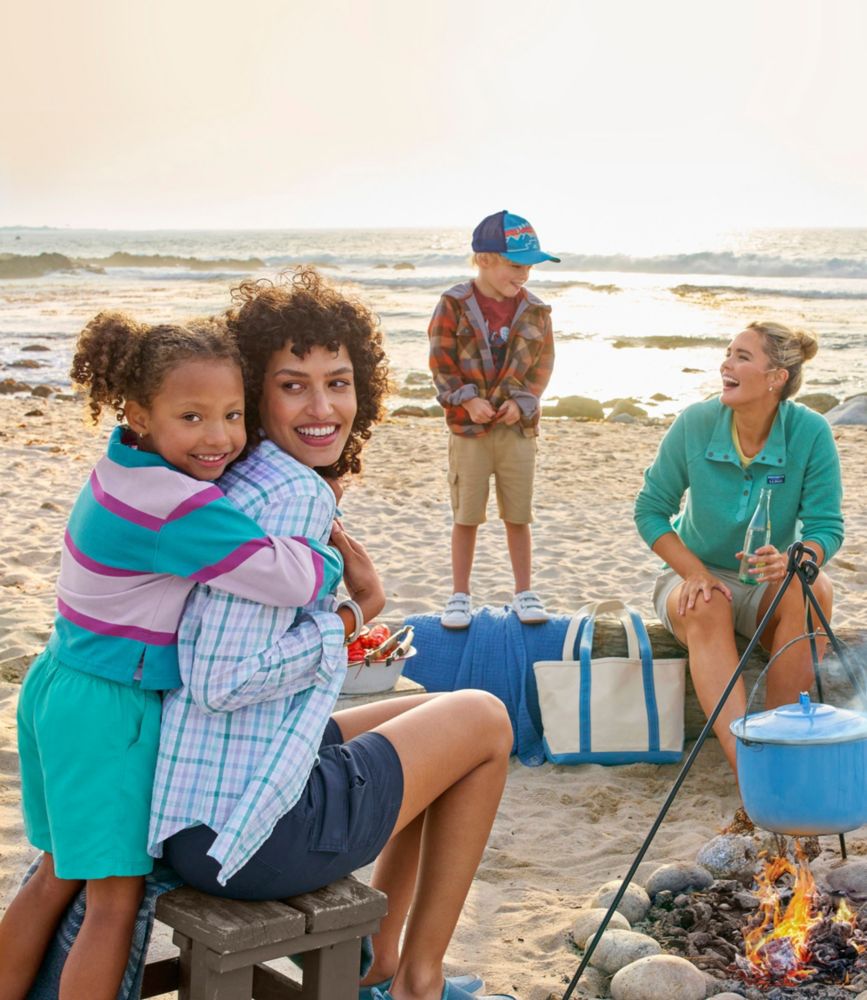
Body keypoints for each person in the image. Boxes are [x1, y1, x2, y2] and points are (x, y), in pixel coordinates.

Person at [148, 270, 516, 1000]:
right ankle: (417, 978)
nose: (322, 408)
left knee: (427, 717)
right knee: (485, 719)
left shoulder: (238, 476)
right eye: (292, 386)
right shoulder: (288, 496)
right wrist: (354, 615)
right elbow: (223, 679)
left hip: (193, 813)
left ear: (363, 388)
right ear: (253, 390)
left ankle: (383, 958)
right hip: (254, 839)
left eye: (338, 383)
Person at [0, 313, 342, 1000]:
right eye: (191, 416)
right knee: (113, 906)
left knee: (55, 874)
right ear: (138, 410)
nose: (217, 438)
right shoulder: (174, 507)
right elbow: (284, 576)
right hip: (109, 712)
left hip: (57, 685)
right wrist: (333, 564)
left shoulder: (122, 463)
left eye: (233, 415)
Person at [634, 321, 844, 805]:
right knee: (706, 603)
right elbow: (650, 509)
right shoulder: (694, 422)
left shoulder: (809, 431)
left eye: (741, 356)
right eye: (727, 354)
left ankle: (784, 743)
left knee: (814, 589)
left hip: (769, 580)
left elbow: (825, 527)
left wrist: (797, 558)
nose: (726, 365)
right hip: (692, 571)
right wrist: (694, 571)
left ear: (777, 377)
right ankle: (751, 766)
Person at [428, 210, 558, 629]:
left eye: (529, 267)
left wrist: (524, 403)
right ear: (483, 259)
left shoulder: (537, 311)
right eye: (516, 265)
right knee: (466, 515)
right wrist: (466, 401)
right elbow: (440, 362)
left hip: (517, 429)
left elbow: (543, 366)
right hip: (469, 431)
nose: (524, 275)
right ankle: (459, 595)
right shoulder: (453, 304)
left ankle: (524, 591)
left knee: (518, 515)